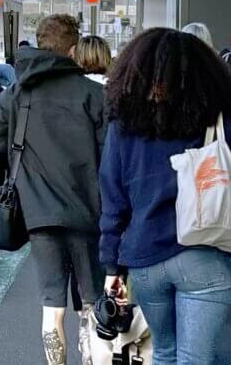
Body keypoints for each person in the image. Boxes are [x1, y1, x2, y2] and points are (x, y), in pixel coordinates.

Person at [0, 14, 106, 365]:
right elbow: (111, 157)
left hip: (39, 215)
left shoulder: (16, 94)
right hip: (90, 215)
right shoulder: (95, 95)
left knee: (53, 307)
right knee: (92, 306)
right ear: (74, 49)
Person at [99, 29, 231, 364]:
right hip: (205, 255)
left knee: (164, 353)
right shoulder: (217, 118)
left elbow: (113, 198)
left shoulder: (124, 122)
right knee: (196, 359)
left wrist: (111, 265)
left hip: (144, 260)